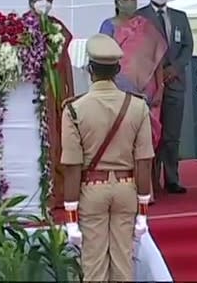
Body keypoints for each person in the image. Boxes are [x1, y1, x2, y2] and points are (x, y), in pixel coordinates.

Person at [60, 33, 154, 281]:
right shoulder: (138, 106)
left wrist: (70, 218)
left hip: (92, 189)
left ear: (90, 69)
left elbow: (72, 167)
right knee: (124, 263)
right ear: (118, 69)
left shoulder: (73, 110)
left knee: (93, 266)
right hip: (126, 188)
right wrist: (143, 212)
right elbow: (143, 162)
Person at [99, 0, 168, 193]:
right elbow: (102, 58)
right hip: (118, 91)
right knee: (121, 141)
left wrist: (160, 89)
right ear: (117, 2)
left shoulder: (145, 26)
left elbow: (157, 61)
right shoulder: (108, 26)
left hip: (147, 92)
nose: (130, 2)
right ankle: (123, 189)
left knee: (144, 141)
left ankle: (145, 190)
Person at [137, 0, 193, 194]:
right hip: (150, 85)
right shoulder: (140, 17)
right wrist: (157, 73)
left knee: (172, 134)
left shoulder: (179, 16)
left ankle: (172, 178)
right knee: (151, 134)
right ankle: (152, 180)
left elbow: (188, 46)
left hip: (175, 81)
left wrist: (175, 69)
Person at [26, 0, 74, 208]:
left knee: (56, 141)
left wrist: (68, 94)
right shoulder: (21, 27)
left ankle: (57, 193)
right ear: (30, 1)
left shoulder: (57, 28)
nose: (45, 1)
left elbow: (65, 64)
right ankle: (34, 194)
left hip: (54, 95)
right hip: (30, 96)